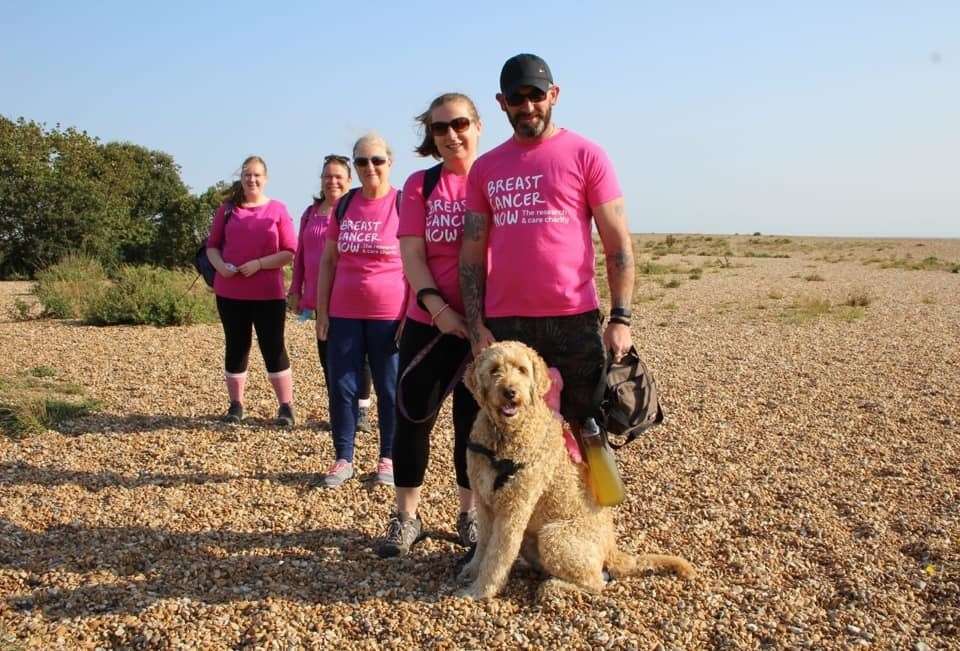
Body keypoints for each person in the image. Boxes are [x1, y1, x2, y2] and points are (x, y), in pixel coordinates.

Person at [459, 53, 636, 442]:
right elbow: (471, 256)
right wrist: (476, 327)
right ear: (501, 102)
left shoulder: (587, 155)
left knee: (587, 429)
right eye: (516, 98)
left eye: (536, 96)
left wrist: (620, 319)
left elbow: (617, 243)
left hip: (574, 319)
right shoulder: (486, 168)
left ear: (554, 94)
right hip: (507, 322)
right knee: (512, 435)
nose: (527, 107)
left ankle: (593, 504)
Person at [377, 93, 483, 557]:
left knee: (473, 425)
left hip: (485, 329)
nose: (451, 134)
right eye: (440, 128)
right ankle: (406, 517)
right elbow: (412, 256)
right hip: (431, 322)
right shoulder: (421, 185)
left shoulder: (495, 176)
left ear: (478, 125)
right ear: (431, 136)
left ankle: (471, 516)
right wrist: (441, 311)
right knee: (413, 418)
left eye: (459, 123)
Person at [315, 133, 405, 488]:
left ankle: (389, 457)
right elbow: (329, 261)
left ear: (389, 162)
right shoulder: (345, 205)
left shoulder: (403, 203)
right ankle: (343, 457)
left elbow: (416, 261)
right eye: (363, 161)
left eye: (377, 160)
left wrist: (411, 311)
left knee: (389, 388)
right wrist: (322, 310)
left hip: (390, 315)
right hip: (344, 313)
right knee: (342, 386)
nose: (370, 167)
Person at [205, 155, 298, 426]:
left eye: (257, 175)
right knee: (236, 347)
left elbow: (289, 252)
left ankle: (286, 406)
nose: (252, 179)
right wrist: (221, 267)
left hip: (268, 294)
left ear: (265, 178)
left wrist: (258, 264)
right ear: (241, 178)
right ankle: (235, 405)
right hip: (230, 293)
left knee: (274, 347)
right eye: (247, 175)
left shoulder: (278, 209)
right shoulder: (227, 209)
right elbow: (212, 246)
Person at [288, 155, 374, 432]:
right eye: (328, 176)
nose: (332, 181)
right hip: (318, 296)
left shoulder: (355, 209)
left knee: (358, 356)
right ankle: (339, 407)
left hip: (351, 297)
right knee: (328, 355)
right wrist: (295, 289)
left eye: (338, 177)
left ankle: (360, 410)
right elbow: (300, 253)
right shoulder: (310, 213)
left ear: (349, 181)